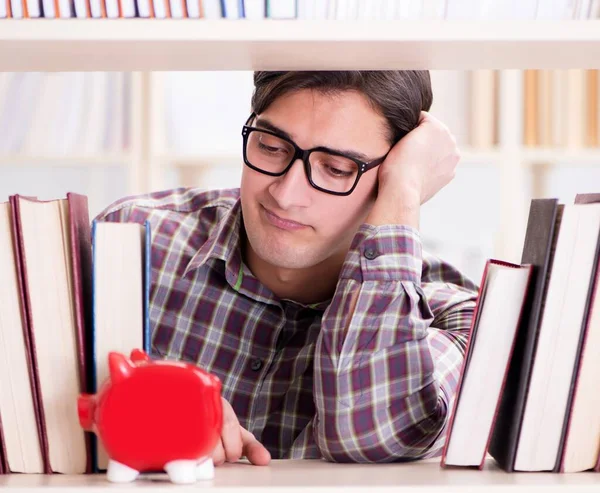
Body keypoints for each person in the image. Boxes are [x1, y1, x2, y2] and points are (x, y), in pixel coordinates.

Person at [95, 71, 478, 466]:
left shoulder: (457, 315)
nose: (286, 194)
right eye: (271, 146)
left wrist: (404, 191)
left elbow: (373, 439)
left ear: (389, 173)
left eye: (336, 169)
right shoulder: (131, 239)